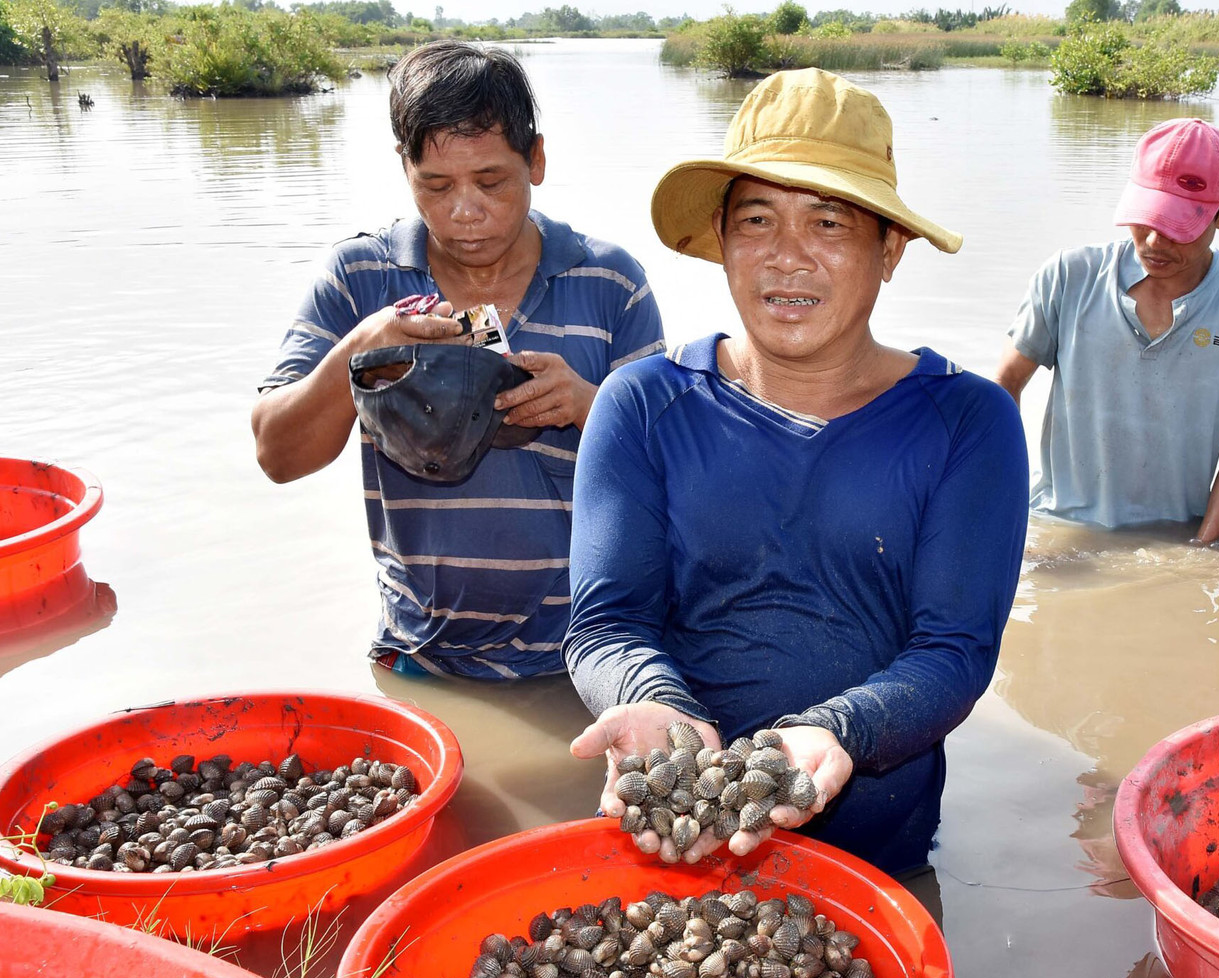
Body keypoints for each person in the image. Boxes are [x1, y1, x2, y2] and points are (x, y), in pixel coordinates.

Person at [564, 69, 1029, 877]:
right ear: (719, 238)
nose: (787, 257)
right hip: (675, 844)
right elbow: (608, 624)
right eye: (756, 220)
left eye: (829, 223)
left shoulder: (967, 421)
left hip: (880, 858)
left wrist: (840, 730)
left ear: (890, 249)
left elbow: (955, 649)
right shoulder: (641, 403)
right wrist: (659, 708)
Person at [252, 42, 664, 679]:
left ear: (537, 159)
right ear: (405, 169)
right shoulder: (359, 278)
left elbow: (675, 473)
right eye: (436, 186)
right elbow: (277, 455)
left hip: (590, 655)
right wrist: (361, 353)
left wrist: (591, 407)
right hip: (419, 654)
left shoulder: (611, 281)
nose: (465, 210)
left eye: (492, 181)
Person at [994, 118, 1219, 543]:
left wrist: (1201, 548)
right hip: (1056, 532)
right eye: (1147, 218)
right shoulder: (1069, 276)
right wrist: (1003, 507)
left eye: (1178, 227)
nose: (1155, 241)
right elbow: (1004, 387)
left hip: (1174, 537)